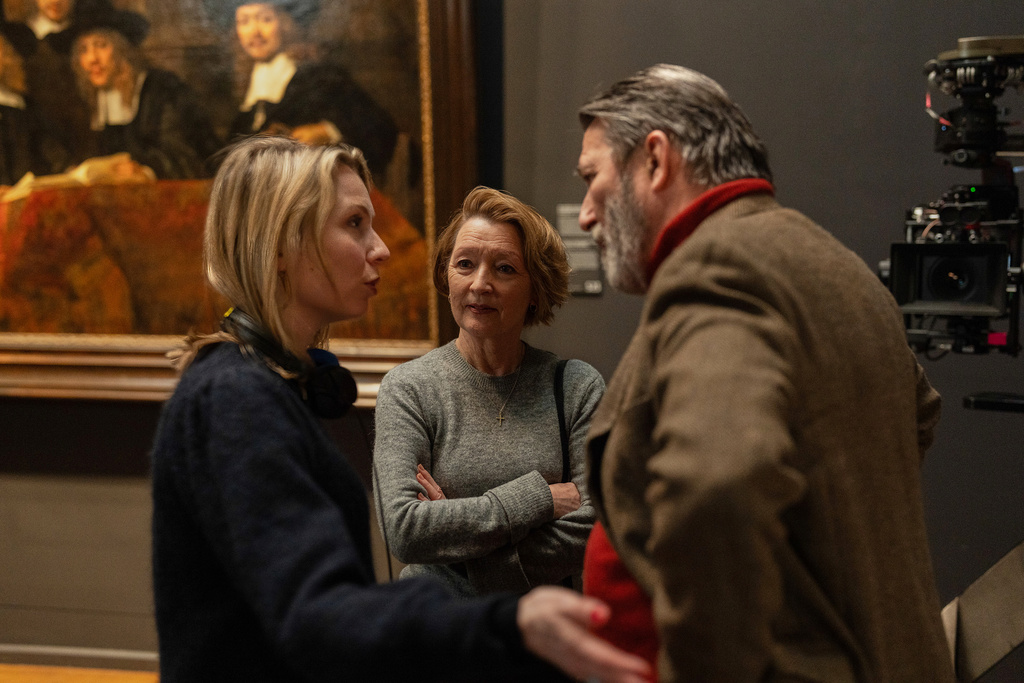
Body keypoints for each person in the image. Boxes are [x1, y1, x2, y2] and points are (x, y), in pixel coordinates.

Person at [150, 135, 650, 683]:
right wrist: (510, 614)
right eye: (355, 223)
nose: (382, 247)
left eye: (504, 269)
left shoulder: (268, 387)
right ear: (280, 245)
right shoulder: (236, 400)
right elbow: (326, 608)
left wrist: (457, 540)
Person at [574, 64, 955, 682]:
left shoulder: (720, 267)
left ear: (655, 160)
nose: (587, 214)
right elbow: (916, 417)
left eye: (593, 179)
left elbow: (718, 483)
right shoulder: (836, 264)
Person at [373, 186, 604, 596]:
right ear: (446, 275)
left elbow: (600, 528)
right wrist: (542, 500)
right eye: (465, 264)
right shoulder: (408, 389)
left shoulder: (576, 387)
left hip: (543, 639)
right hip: (438, 635)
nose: (480, 284)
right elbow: (406, 531)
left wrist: (456, 556)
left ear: (536, 290)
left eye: (504, 269)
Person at [225, 1, 399, 181]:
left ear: (287, 24)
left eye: (265, 19)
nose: (254, 32)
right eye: (244, 22)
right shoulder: (248, 87)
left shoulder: (322, 77)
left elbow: (382, 130)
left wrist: (329, 131)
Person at [70, 5, 221, 179]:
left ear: (122, 50)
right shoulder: (93, 101)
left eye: (102, 46)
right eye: (83, 50)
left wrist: (146, 170)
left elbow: (185, 156)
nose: (92, 59)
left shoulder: (162, 90)